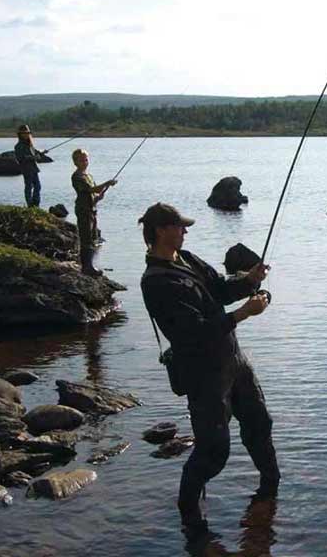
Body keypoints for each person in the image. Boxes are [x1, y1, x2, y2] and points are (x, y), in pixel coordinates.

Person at [138, 203, 280, 540]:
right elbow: (193, 332)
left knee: (260, 424)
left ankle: (270, 492)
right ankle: (189, 514)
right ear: (160, 230)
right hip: (203, 375)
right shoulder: (155, 282)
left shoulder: (187, 259)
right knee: (213, 451)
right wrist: (244, 313)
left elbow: (218, 289)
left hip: (234, 360)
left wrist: (249, 281)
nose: (185, 231)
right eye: (179, 226)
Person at [70, 149, 117, 276]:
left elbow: (95, 193)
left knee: (92, 237)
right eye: (81, 160)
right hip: (83, 209)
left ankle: (89, 265)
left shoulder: (89, 176)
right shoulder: (77, 176)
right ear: (75, 162)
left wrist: (99, 197)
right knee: (86, 238)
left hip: (91, 209)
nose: (84, 162)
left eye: (86, 159)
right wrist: (107, 183)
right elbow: (91, 189)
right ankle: (87, 267)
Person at [13, 124, 45, 207]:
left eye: (27, 133)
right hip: (26, 170)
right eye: (24, 133)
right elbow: (21, 158)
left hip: (34, 168)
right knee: (29, 187)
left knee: (38, 186)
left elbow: (35, 151)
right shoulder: (18, 146)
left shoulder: (30, 144)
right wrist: (33, 157)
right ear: (20, 134)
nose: (26, 134)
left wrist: (42, 152)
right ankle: (30, 205)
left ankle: (36, 204)